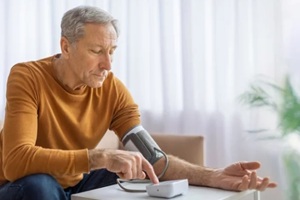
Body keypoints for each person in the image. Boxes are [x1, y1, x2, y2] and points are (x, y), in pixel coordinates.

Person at [0, 5, 276, 200]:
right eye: (96, 51)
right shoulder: (27, 76)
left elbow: (153, 159)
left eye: (111, 51)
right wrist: (100, 157)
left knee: (140, 173)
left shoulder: (113, 90)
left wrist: (213, 176)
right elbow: (15, 161)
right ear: (66, 46)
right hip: (18, 186)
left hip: (75, 182)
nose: (107, 64)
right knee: (41, 186)